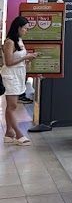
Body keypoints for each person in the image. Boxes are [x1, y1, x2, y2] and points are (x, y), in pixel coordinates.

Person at [2, 16, 31, 145]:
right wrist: (25, 57)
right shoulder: (9, 42)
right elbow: (8, 62)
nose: (26, 31)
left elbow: (18, 58)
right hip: (10, 76)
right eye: (25, 28)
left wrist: (27, 59)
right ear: (18, 28)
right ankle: (19, 134)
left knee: (11, 106)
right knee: (12, 106)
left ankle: (9, 132)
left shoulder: (19, 41)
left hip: (18, 75)